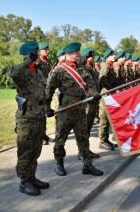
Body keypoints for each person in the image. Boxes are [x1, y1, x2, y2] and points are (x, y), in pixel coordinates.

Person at [45, 42, 103, 177]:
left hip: (81, 108)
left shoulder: (82, 69)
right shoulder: (59, 70)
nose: (79, 54)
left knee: (83, 137)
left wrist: (94, 93)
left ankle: (87, 165)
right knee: (61, 138)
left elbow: (90, 83)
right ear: (72, 54)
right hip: (66, 109)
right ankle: (59, 163)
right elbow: (49, 89)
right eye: (77, 52)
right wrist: (47, 107)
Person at [8, 41, 49, 196]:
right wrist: (27, 61)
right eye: (37, 52)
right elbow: (12, 73)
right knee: (25, 151)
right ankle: (24, 182)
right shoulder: (22, 70)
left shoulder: (38, 70)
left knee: (35, 150)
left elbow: (42, 92)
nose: (39, 54)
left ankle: (32, 177)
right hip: (26, 118)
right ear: (31, 53)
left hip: (38, 115)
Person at [98, 49, 125, 150]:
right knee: (104, 119)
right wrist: (111, 88)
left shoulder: (111, 66)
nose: (114, 56)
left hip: (110, 95)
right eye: (112, 55)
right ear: (107, 56)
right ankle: (102, 141)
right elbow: (102, 79)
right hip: (105, 95)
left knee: (109, 119)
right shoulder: (105, 66)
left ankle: (106, 139)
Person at [79, 48, 100, 160]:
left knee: (88, 128)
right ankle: (81, 152)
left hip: (93, 102)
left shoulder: (92, 69)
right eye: (90, 56)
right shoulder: (82, 68)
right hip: (87, 101)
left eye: (92, 56)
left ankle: (86, 150)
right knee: (83, 129)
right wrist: (84, 56)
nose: (92, 58)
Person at [36, 42, 54, 145]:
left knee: (45, 114)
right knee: (40, 115)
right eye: (45, 50)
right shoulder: (38, 63)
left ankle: (44, 135)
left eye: (47, 49)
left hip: (48, 91)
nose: (47, 51)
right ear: (40, 51)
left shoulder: (48, 62)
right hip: (40, 91)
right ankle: (40, 137)